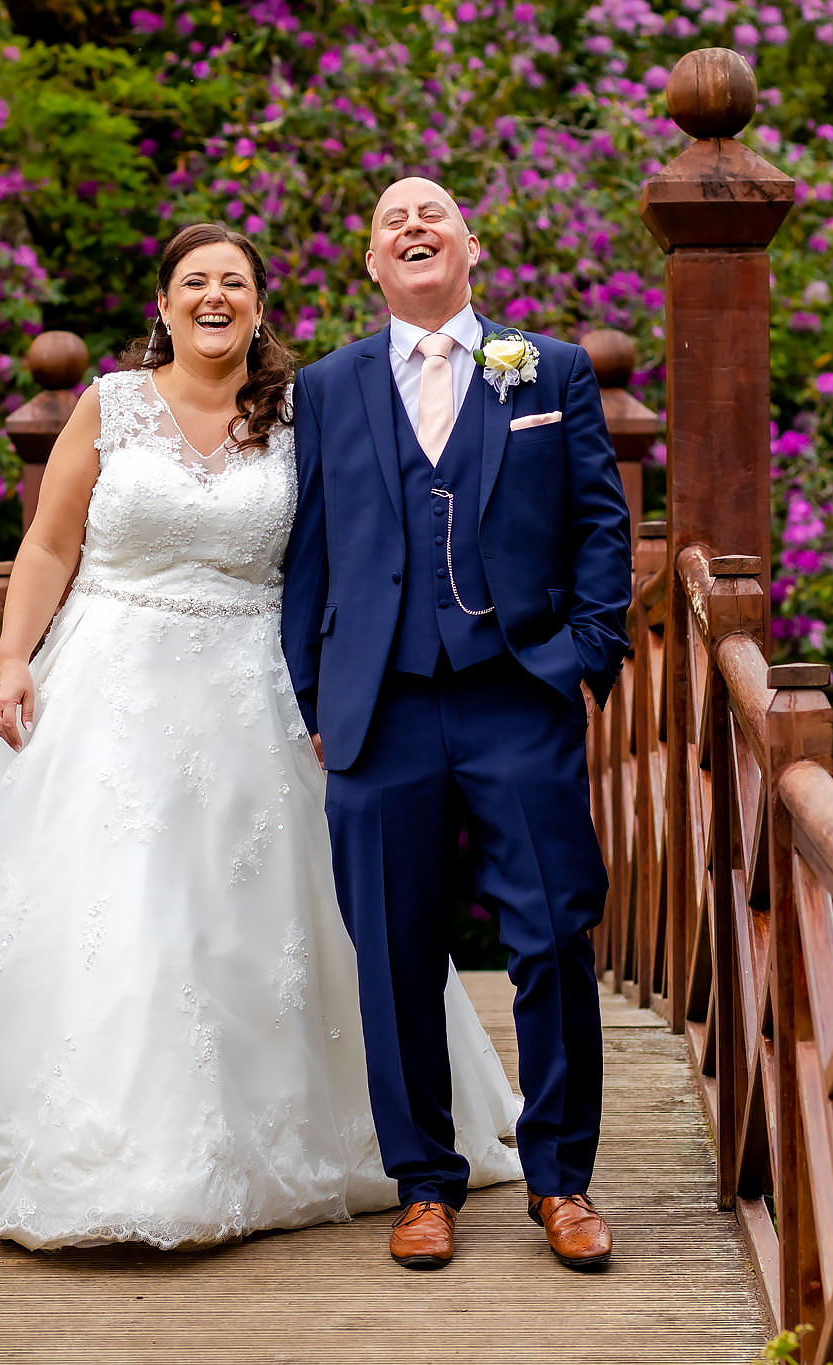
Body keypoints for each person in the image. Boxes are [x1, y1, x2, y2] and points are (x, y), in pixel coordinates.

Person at [0, 222, 523, 1251]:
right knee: (117, 907)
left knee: (265, 915)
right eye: (194, 282)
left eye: (236, 284)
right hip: (109, 679)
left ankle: (346, 1135)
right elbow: (48, 543)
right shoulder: (110, 406)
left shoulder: (304, 413)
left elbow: (359, 548)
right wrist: (10, 659)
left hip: (257, 686)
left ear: (260, 310)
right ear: (162, 305)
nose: (215, 297)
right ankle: (97, 1151)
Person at [281, 179, 632, 1271]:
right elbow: (307, 549)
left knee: (552, 933)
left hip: (515, 693)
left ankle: (560, 1181)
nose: (413, 226)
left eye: (432, 213)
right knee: (390, 953)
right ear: (371, 264)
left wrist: (583, 657)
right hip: (376, 706)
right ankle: (422, 1184)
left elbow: (599, 526)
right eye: (391, 220)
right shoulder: (326, 386)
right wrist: (310, 697)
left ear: (469, 247)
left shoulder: (547, 368)